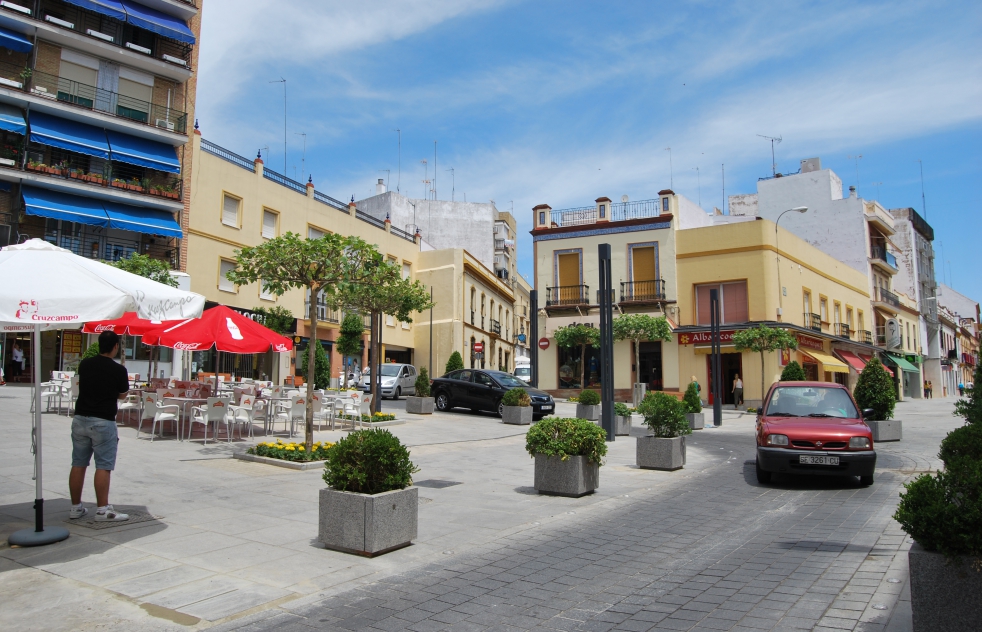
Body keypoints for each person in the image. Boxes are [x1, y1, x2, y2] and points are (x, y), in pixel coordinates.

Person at [68, 331, 131, 522]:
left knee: (78, 463)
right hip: (103, 420)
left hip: (80, 418)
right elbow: (122, 395)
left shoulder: (85, 364)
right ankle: (102, 509)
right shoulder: (119, 370)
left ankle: (75, 507)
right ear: (115, 347)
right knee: (103, 465)